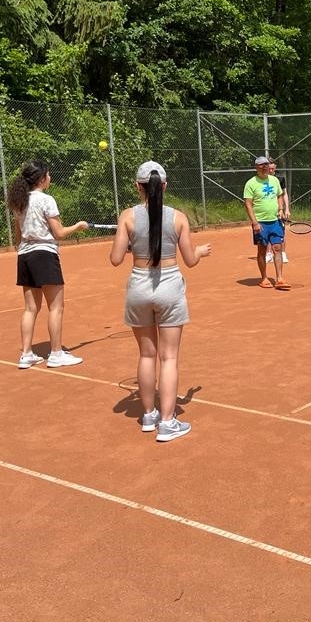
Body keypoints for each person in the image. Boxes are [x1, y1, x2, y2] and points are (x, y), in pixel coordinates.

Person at [110, 161, 211, 441]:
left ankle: (148, 415)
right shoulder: (178, 218)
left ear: (137, 186)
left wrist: (129, 243)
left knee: (146, 355)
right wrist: (200, 251)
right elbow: (190, 260)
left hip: (139, 286)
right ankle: (167, 422)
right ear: (164, 186)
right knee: (169, 358)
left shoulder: (127, 216)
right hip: (169, 287)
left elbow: (116, 258)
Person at [6, 160, 88, 369]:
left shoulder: (19, 201)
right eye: (48, 175)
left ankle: (26, 354)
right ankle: (56, 353)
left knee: (30, 308)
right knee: (56, 306)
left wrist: (26, 247)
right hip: (44, 255)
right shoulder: (46, 200)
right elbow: (59, 233)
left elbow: (18, 236)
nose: (50, 178)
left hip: (24, 256)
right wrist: (78, 226)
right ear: (42, 179)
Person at [244, 156, 289, 289]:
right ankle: (264, 278)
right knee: (262, 250)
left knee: (277, 248)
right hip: (260, 222)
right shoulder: (251, 183)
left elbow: (279, 195)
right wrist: (255, 223)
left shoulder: (274, 180)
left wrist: (281, 209)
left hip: (275, 221)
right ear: (256, 167)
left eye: (266, 164)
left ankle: (279, 278)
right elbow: (248, 204)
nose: (265, 167)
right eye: (262, 165)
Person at [265, 160, 290, 265]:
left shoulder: (280, 178)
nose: (271, 170)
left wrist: (286, 209)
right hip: (267, 210)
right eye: (269, 168)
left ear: (275, 168)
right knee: (267, 232)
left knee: (281, 232)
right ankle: (268, 254)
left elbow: (284, 194)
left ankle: (283, 254)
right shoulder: (263, 179)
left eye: (273, 169)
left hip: (279, 210)